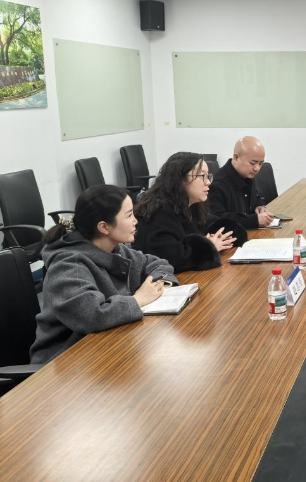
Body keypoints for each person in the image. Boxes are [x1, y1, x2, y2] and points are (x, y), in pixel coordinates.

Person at [30, 185, 177, 363]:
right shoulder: (69, 265)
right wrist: (138, 299)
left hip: (102, 348)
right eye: (129, 215)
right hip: (64, 361)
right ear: (104, 227)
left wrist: (160, 286)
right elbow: (91, 316)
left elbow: (157, 264)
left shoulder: (115, 249)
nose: (135, 221)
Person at [134, 152, 245, 273]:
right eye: (202, 176)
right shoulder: (161, 213)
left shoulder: (192, 205)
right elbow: (172, 258)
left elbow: (215, 224)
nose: (208, 182)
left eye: (208, 176)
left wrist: (223, 235)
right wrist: (209, 246)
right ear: (180, 179)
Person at [208, 136, 275, 229]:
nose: (257, 168)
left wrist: (259, 206)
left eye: (260, 163)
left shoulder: (247, 174)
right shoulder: (217, 184)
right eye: (252, 163)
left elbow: (255, 197)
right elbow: (218, 218)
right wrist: (254, 220)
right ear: (236, 158)